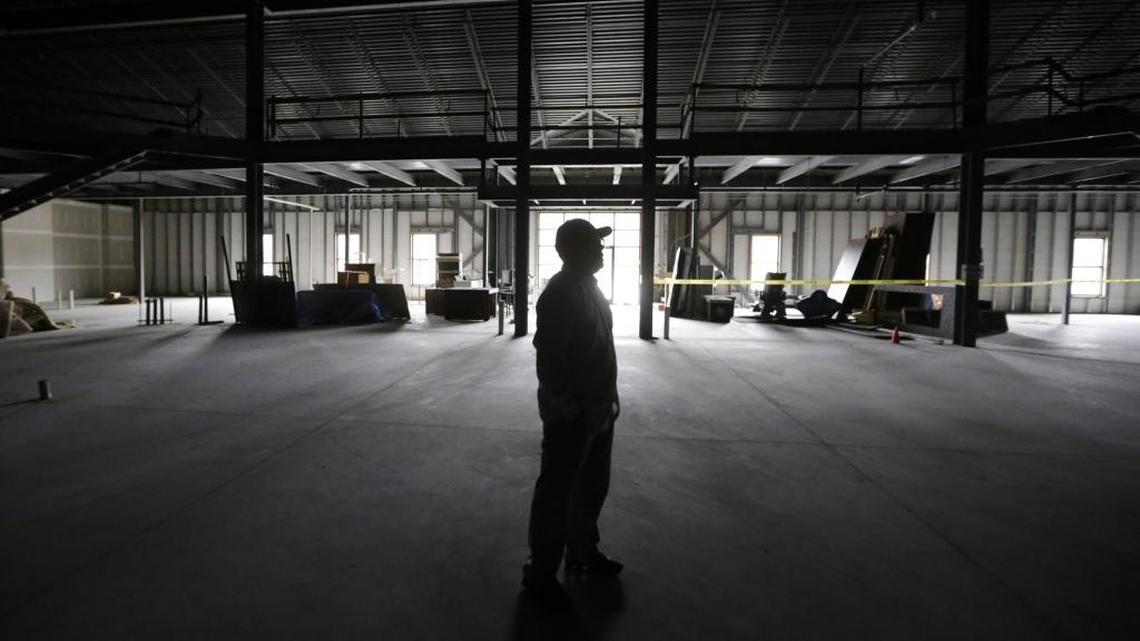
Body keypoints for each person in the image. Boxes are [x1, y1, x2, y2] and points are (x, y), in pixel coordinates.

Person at [523, 218, 623, 597]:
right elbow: (549, 357)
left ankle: (582, 551)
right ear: (571, 251)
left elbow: (598, 349)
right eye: (594, 244)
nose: (601, 250)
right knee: (557, 492)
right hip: (574, 412)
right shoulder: (561, 293)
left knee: (592, 485)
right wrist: (568, 405)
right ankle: (542, 573)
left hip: (597, 408)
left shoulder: (589, 288)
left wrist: (608, 399)